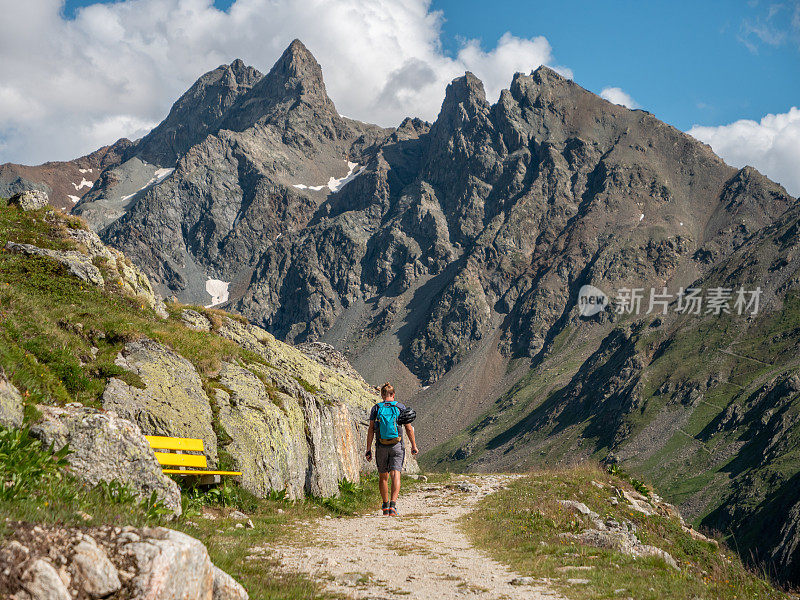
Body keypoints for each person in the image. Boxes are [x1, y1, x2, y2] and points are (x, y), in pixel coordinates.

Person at [365, 382, 418, 516]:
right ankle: (393, 506)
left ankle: (385, 505)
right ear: (393, 394)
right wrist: (414, 445)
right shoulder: (400, 407)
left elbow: (371, 429)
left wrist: (368, 449)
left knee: (383, 477)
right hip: (397, 446)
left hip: (381, 446)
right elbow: (408, 428)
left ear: (382, 395)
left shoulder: (376, 408)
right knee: (396, 475)